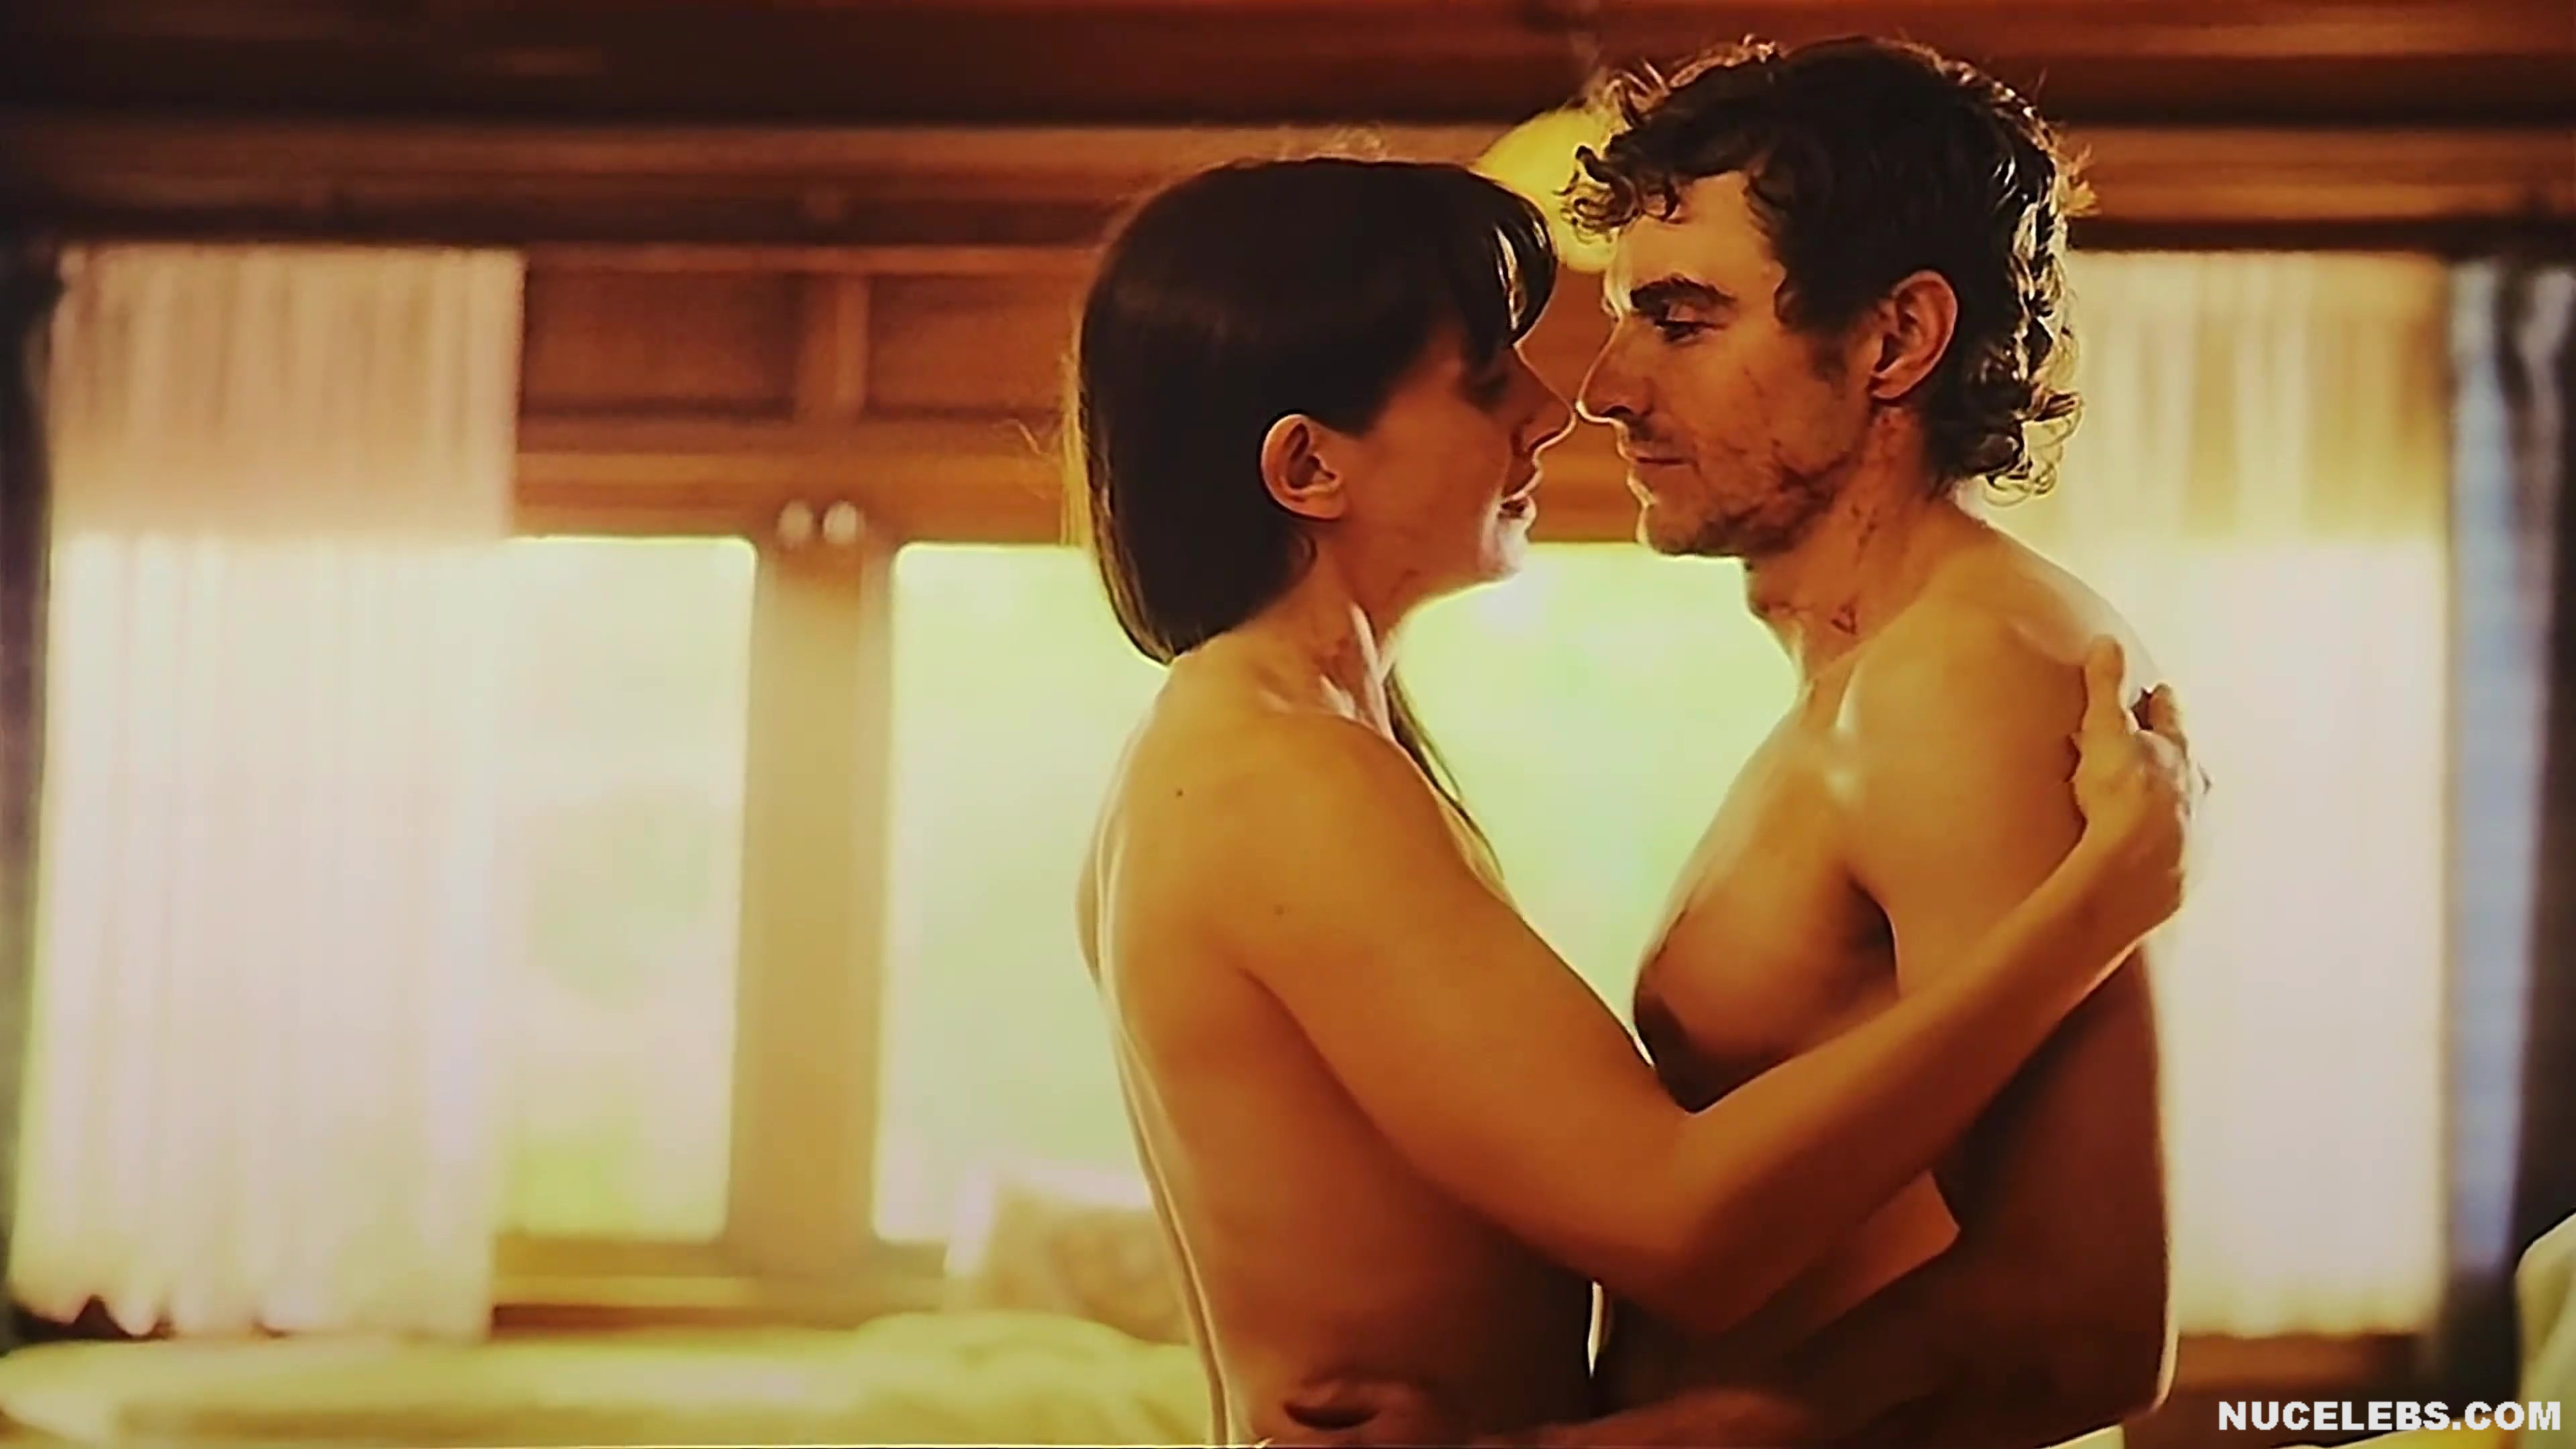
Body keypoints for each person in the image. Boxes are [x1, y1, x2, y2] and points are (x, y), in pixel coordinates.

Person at [1067, 154, 2197, 1448]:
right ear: (1310, 467)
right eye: (1486, 379)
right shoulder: (1275, 774)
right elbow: (1679, 1225)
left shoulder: (1293, 745)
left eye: (1681, 319)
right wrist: (2095, 910)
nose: (1562, 406)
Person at [1532, 36, 2186, 1449]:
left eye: (1681, 320)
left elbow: (2081, 1321)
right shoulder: (1866, 675)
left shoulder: (1961, 680)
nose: (1606, 389)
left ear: (1896, 339)